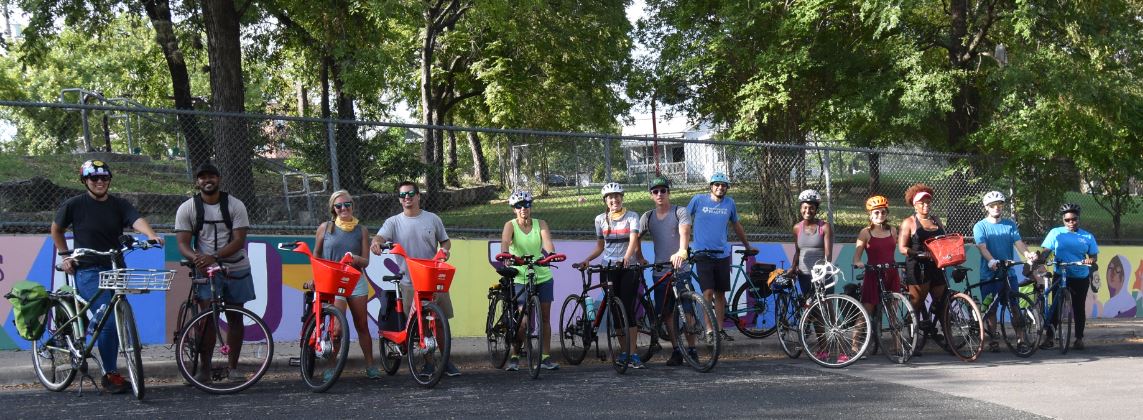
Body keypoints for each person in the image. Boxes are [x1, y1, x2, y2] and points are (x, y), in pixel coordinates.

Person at [50, 159, 163, 394]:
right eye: (94, 178)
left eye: (104, 178)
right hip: (88, 270)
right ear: (85, 181)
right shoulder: (74, 204)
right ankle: (110, 374)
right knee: (108, 321)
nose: (100, 182)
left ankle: (104, 356)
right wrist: (65, 255)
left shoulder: (119, 204)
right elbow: (57, 229)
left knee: (119, 316)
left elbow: (135, 220)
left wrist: (151, 235)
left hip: (115, 269)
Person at [174, 161, 255, 383]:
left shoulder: (235, 205)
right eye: (202, 177)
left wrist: (215, 256)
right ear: (197, 181)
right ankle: (204, 368)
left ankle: (233, 367)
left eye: (211, 176)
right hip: (206, 269)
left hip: (236, 267)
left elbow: (239, 240)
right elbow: (181, 243)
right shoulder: (188, 208)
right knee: (207, 319)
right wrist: (197, 258)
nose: (207, 180)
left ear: (218, 179)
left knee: (235, 317)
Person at [369, 181, 459, 376]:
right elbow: (379, 238)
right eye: (402, 195)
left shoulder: (432, 218)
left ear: (419, 196)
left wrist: (444, 250)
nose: (407, 197)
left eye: (410, 193)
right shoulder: (393, 222)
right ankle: (428, 363)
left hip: (434, 278)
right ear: (400, 200)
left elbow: (445, 241)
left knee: (441, 322)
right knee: (421, 325)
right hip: (409, 281)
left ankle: (446, 362)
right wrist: (376, 244)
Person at [578, 182, 644, 368]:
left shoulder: (632, 216)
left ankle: (633, 353)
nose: (614, 200)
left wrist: (626, 257)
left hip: (627, 268)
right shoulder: (600, 219)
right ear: (605, 201)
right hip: (608, 269)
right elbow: (600, 246)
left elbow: (633, 240)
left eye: (617, 196)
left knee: (628, 310)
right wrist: (588, 259)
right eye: (610, 197)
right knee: (615, 311)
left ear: (622, 198)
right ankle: (624, 353)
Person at [683, 172, 755, 342]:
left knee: (720, 294)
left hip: (722, 254)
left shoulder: (730, 203)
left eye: (723, 185)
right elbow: (684, 221)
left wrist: (748, 246)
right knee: (707, 292)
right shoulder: (698, 200)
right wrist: (682, 246)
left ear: (727, 188)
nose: (720, 187)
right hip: (702, 254)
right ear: (711, 186)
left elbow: (736, 224)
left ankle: (719, 330)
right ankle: (709, 331)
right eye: (717, 184)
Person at [313, 190, 376, 378]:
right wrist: (316, 278)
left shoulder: (361, 230)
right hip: (333, 282)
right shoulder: (325, 228)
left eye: (346, 204)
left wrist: (355, 258)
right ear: (333, 209)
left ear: (352, 205)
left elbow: (366, 261)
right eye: (338, 206)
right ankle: (331, 367)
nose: (343, 208)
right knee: (336, 327)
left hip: (355, 281)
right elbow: (316, 255)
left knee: (362, 325)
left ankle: (370, 365)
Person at [499, 191, 559, 371]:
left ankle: (546, 357)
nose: (523, 208)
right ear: (513, 209)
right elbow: (505, 243)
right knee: (523, 320)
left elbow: (548, 244)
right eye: (518, 206)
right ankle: (515, 355)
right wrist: (507, 256)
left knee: (545, 317)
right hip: (520, 274)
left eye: (526, 204)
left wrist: (552, 255)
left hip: (542, 273)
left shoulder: (540, 223)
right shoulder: (510, 225)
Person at [972, 191, 1037, 352]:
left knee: (1014, 306)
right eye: (993, 205)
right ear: (986, 207)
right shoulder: (980, 226)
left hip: (1009, 273)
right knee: (991, 309)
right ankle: (993, 339)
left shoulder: (1010, 224)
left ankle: (1021, 339)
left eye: (999, 205)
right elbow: (982, 247)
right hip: (989, 274)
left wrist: (1027, 254)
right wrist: (991, 260)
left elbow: (1019, 242)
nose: (996, 208)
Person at [637, 176, 692, 366]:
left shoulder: (680, 211)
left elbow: (685, 232)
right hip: (660, 271)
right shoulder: (648, 216)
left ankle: (691, 350)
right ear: (651, 195)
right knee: (667, 313)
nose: (659, 194)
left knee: (688, 310)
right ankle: (677, 350)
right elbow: (634, 237)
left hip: (681, 268)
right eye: (655, 191)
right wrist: (638, 256)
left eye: (663, 190)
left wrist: (682, 251)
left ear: (668, 192)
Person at [1040, 203, 1099, 350]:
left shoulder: (1087, 236)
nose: (1071, 222)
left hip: (1080, 276)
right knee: (1056, 307)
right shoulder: (1055, 233)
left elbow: (1093, 255)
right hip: (1061, 273)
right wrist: (1040, 259)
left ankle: (1079, 338)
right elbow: (1046, 250)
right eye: (1067, 220)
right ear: (1063, 220)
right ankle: (1049, 337)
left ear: (1078, 219)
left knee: (1078, 307)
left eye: (1074, 219)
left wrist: (1090, 260)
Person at [897, 183, 949, 347]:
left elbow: (945, 239)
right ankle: (912, 340)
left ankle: (948, 339)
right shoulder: (909, 222)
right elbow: (902, 248)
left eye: (928, 202)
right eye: (921, 202)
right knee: (916, 305)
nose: (925, 205)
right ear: (914, 204)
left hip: (936, 265)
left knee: (943, 303)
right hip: (918, 268)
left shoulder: (936, 220)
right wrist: (918, 253)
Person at [853, 195, 900, 319]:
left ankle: (898, 339)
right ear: (870, 214)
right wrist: (859, 263)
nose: (880, 215)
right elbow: (856, 258)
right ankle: (855, 339)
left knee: (893, 315)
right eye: (876, 212)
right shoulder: (865, 232)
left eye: (883, 212)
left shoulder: (893, 230)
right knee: (865, 315)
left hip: (891, 273)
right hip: (873, 274)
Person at [792, 189, 833, 302]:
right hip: (804, 275)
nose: (808, 211)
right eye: (805, 207)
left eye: (811, 208)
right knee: (812, 311)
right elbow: (798, 251)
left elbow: (828, 254)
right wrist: (793, 267)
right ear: (800, 209)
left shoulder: (825, 227)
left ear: (816, 210)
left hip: (822, 274)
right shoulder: (796, 228)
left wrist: (822, 270)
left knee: (827, 306)